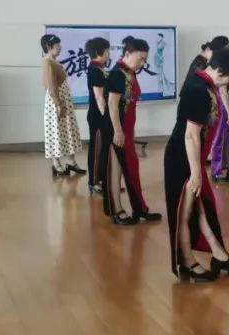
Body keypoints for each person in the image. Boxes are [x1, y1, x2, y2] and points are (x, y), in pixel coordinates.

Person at [165, 47, 229, 283]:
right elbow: (191, 135)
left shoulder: (207, 85)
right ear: (221, 71)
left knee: (202, 208)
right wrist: (195, 173)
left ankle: (220, 255)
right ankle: (187, 263)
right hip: (182, 158)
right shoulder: (196, 89)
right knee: (185, 211)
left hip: (193, 157)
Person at [102, 37, 162, 225]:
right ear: (127, 54)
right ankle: (117, 211)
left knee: (131, 169)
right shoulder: (117, 74)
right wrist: (117, 131)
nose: (142, 63)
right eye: (140, 59)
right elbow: (112, 105)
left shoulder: (129, 73)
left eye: (145, 60)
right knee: (115, 170)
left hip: (127, 130)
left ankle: (140, 208)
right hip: (115, 130)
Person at [40, 34, 85, 178]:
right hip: (56, 102)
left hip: (62, 100)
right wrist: (59, 104)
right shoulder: (48, 62)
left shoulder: (54, 61)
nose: (60, 48)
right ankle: (56, 163)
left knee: (67, 130)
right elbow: (51, 86)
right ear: (49, 47)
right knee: (56, 131)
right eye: (57, 45)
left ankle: (71, 161)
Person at [85, 37, 111, 195]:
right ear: (98, 52)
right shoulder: (94, 70)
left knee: (104, 150)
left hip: (101, 116)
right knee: (97, 150)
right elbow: (99, 97)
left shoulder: (100, 68)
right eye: (107, 51)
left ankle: (103, 180)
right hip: (98, 117)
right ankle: (94, 182)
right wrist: (107, 117)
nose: (109, 54)